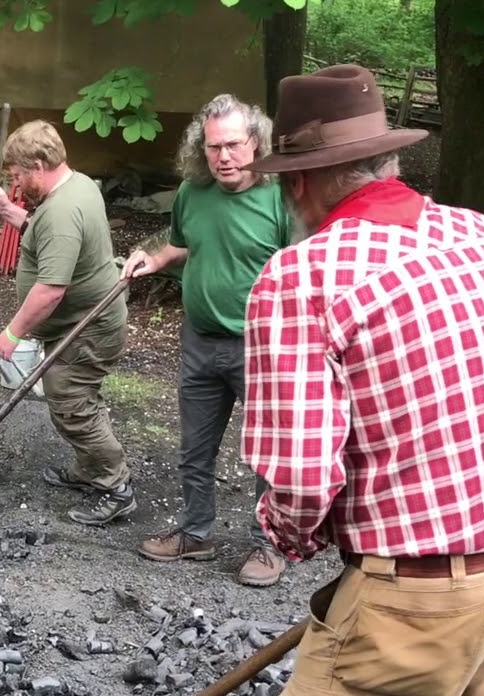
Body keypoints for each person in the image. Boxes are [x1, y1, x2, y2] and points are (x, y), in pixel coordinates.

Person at [242, 64, 484, 696]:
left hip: (414, 607)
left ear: (297, 184)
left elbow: (303, 478)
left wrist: (289, 536)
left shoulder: (302, 278)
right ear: (383, 160)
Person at [121, 94, 292, 587]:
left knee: (268, 452)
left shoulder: (281, 198)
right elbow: (181, 243)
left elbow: (306, 271)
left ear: (255, 142)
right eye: (214, 147)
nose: (223, 157)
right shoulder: (193, 193)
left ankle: (270, 542)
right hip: (199, 341)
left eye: (234, 145)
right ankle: (197, 534)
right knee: (194, 449)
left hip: (260, 348)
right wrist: (153, 258)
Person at [0, 120, 134, 526]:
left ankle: (115, 484)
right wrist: (12, 213)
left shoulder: (62, 210)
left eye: (17, 176)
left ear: (37, 164)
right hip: (87, 321)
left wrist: (13, 332)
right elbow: (53, 241)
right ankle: (90, 468)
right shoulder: (79, 184)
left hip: (87, 327)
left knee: (72, 406)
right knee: (73, 401)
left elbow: (50, 289)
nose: (16, 183)